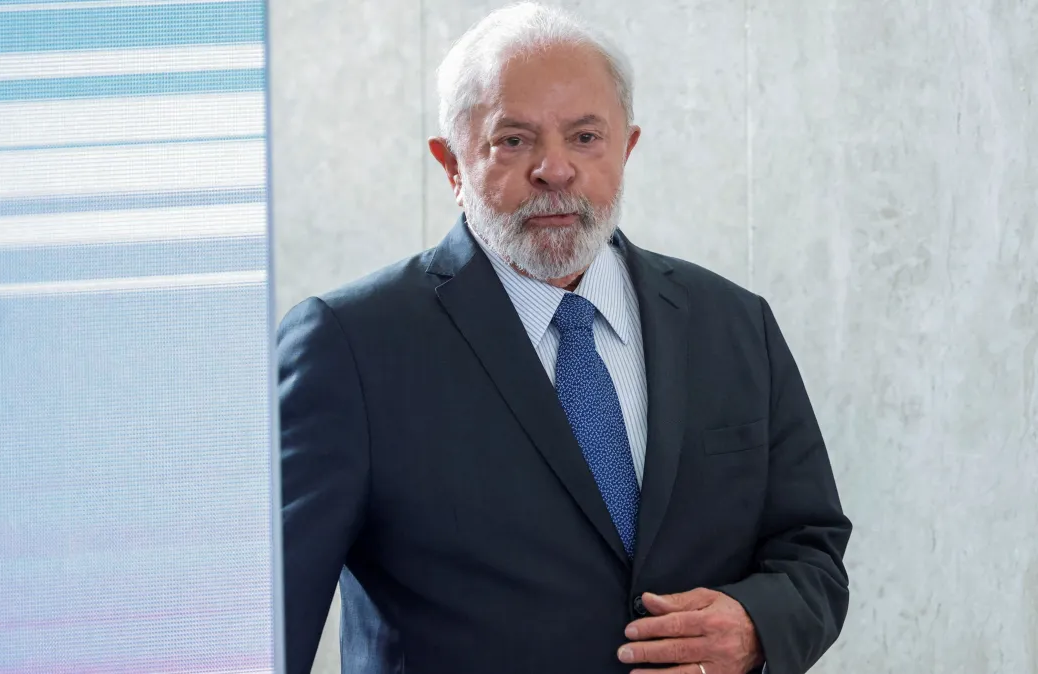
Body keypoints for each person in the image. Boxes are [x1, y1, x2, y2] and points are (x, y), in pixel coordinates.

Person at [278, 3, 852, 673]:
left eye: (585, 136)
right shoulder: (349, 346)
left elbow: (811, 550)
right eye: (513, 140)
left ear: (626, 148)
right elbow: (263, 628)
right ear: (452, 164)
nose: (555, 169)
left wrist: (756, 626)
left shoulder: (734, 323)